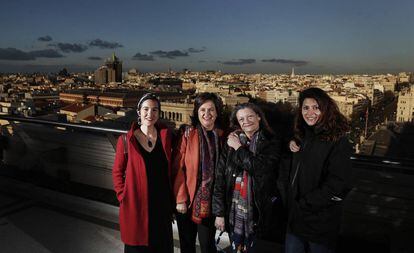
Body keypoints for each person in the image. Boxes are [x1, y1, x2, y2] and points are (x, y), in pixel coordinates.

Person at [283, 87, 352, 253]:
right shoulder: (302, 135)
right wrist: (290, 143)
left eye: (316, 107)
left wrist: (304, 204)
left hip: (320, 221)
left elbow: (336, 183)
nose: (310, 112)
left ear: (325, 109)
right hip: (297, 219)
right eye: (306, 108)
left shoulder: (338, 140)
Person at [213, 103, 282, 253]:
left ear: (259, 117)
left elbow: (259, 168)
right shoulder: (231, 142)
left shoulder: (271, 142)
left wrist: (238, 148)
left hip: (260, 215)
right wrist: (219, 213)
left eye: (250, 116)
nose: (246, 121)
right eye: (241, 119)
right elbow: (220, 179)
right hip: (234, 213)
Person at [112, 93, 174, 253]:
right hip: (136, 205)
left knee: (161, 246)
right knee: (137, 247)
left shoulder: (166, 138)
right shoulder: (125, 141)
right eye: (146, 109)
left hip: (161, 206)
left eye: (154, 110)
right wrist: (123, 196)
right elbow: (117, 172)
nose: (150, 114)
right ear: (138, 112)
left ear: (159, 113)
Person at [173, 92, 224, 253]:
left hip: (210, 203)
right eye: (202, 110)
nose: (207, 114)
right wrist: (180, 198)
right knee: (187, 246)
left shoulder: (224, 136)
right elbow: (178, 168)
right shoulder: (188, 134)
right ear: (197, 112)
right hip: (187, 200)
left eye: (211, 110)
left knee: (208, 246)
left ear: (217, 113)